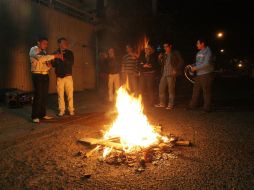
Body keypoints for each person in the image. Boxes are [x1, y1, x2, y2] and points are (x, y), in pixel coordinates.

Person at [29, 36, 62, 123]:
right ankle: (34, 116)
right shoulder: (33, 49)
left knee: (44, 95)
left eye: (47, 44)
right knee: (38, 95)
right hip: (37, 75)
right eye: (44, 43)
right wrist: (54, 56)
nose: (46, 45)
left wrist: (49, 65)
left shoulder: (44, 52)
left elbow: (46, 61)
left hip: (45, 75)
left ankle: (42, 114)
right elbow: (40, 58)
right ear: (38, 43)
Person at [187, 38, 214, 112]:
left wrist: (196, 68)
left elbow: (207, 63)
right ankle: (192, 105)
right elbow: (197, 63)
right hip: (198, 75)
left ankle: (207, 108)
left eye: (198, 43)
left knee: (206, 91)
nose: (196, 45)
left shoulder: (208, 51)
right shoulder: (198, 53)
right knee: (195, 90)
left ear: (203, 44)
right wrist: (192, 66)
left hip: (206, 74)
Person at [154, 42, 183, 110]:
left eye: (166, 46)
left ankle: (170, 104)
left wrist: (176, 69)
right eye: (164, 47)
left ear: (170, 46)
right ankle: (162, 103)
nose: (165, 48)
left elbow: (181, 61)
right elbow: (161, 64)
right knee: (161, 87)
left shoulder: (175, 53)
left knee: (171, 90)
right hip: (164, 74)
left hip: (171, 74)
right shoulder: (164, 54)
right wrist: (159, 58)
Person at [52, 37, 75, 116]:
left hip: (68, 76)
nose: (66, 44)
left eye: (66, 42)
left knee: (70, 94)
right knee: (60, 95)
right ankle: (61, 110)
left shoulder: (69, 53)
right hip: (59, 77)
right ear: (59, 44)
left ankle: (71, 110)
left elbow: (71, 63)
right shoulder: (55, 53)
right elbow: (53, 65)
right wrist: (51, 62)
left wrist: (63, 59)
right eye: (64, 42)